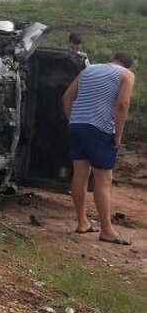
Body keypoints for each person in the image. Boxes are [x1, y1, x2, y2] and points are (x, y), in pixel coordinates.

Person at [61, 53, 135, 245]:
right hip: (100, 128)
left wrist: (73, 120)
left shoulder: (88, 70)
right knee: (103, 179)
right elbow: (122, 105)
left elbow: (67, 97)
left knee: (80, 174)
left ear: (111, 59)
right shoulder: (126, 75)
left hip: (77, 125)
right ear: (129, 66)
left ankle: (82, 222)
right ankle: (107, 231)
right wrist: (118, 134)